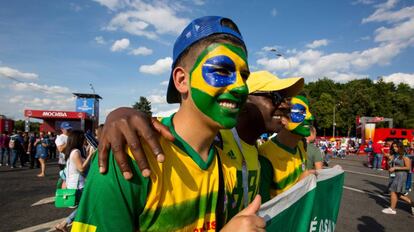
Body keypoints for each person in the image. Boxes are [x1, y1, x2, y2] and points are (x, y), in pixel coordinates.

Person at [73, 16, 265, 231]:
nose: (241, 87)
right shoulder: (128, 158)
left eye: (244, 76)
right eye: (222, 71)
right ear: (182, 80)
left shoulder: (231, 152)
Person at [96, 70, 304, 222]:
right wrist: (120, 114)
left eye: (286, 99)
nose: (286, 105)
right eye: (276, 96)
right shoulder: (215, 140)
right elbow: (165, 125)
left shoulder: (259, 155)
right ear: (245, 100)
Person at [258, 95, 315, 201]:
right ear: (283, 118)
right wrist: (299, 186)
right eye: (300, 112)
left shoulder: (300, 146)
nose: (310, 117)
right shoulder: (265, 155)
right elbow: (263, 209)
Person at [55, 130, 94, 232]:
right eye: (83, 138)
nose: (85, 140)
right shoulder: (76, 152)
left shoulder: (72, 151)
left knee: (85, 206)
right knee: (86, 206)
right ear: (79, 139)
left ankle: (64, 223)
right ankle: (64, 223)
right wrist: (90, 155)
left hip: (74, 184)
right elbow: (81, 168)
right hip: (78, 185)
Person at [381, 142, 414, 215]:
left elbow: (408, 168)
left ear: (400, 147)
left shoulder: (404, 156)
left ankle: (392, 209)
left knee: (393, 191)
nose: (394, 148)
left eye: (396, 147)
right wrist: (384, 153)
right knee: (398, 194)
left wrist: (395, 167)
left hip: (401, 176)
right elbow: (389, 157)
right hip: (396, 175)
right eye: (393, 147)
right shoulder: (396, 155)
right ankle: (412, 203)